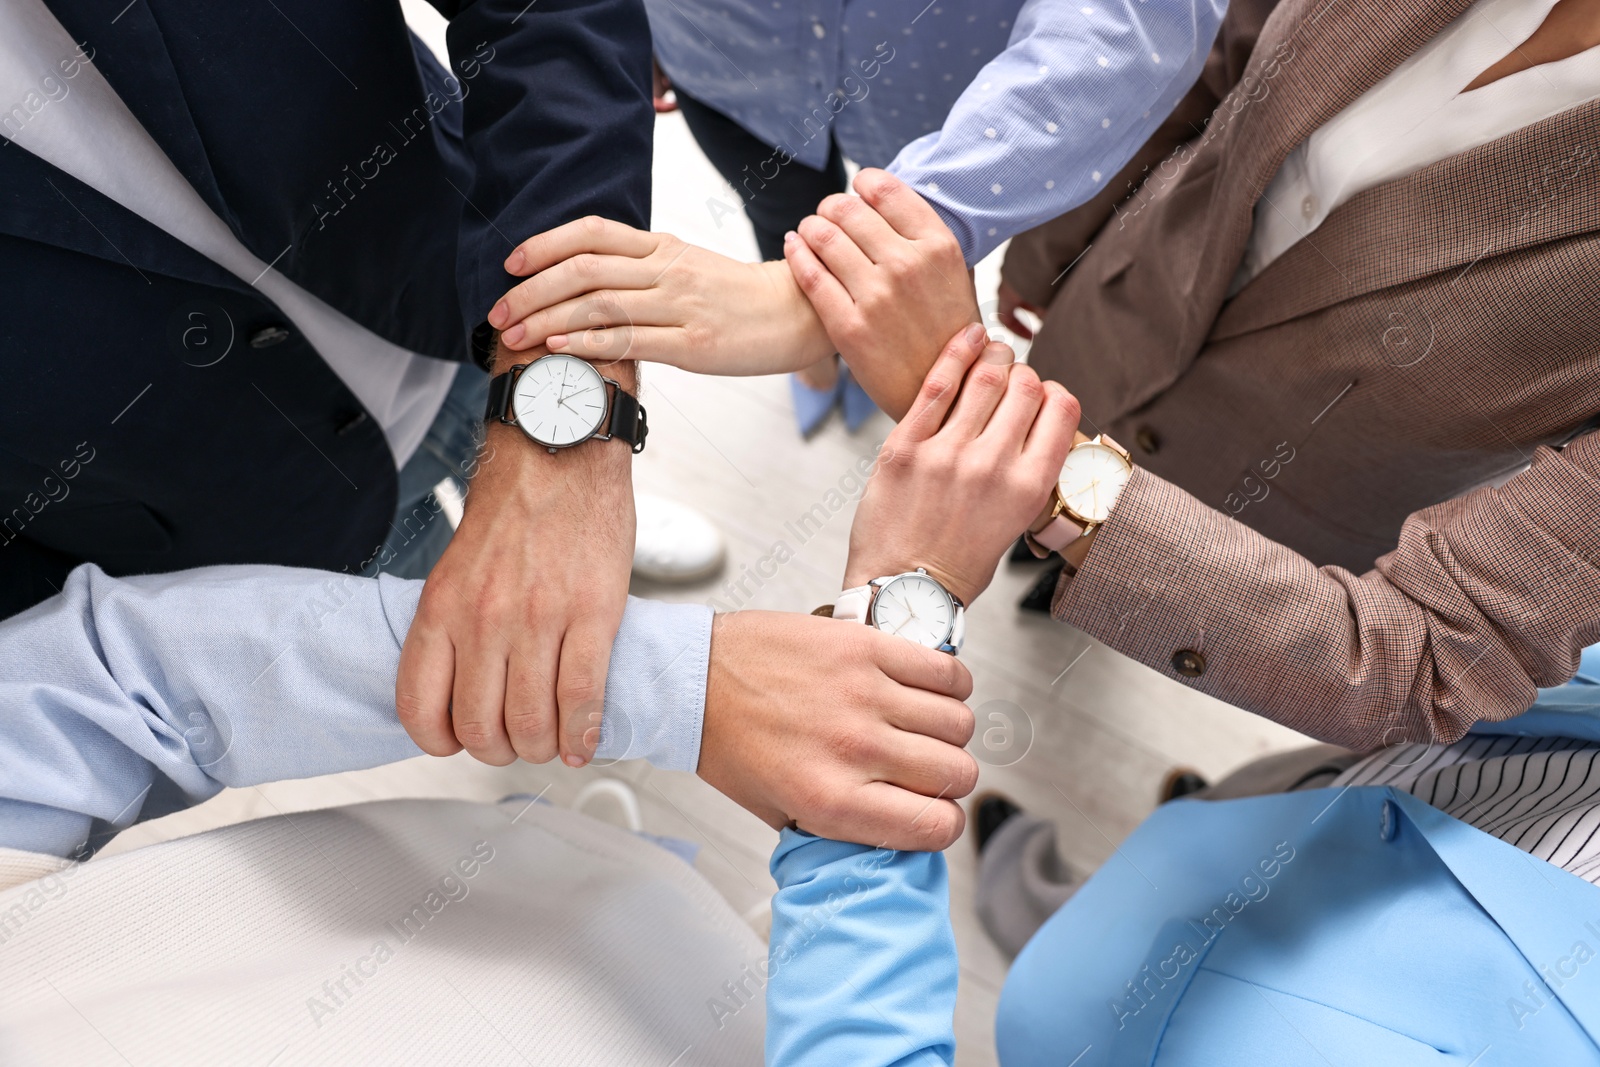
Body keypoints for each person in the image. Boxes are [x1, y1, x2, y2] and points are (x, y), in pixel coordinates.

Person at [0, 323, 1073, 1064]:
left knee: (470, 619)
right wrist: (899, 608)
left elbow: (110, 684)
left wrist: (672, 680)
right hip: (710, 998)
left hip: (469, 884)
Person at [0, 0, 719, 793]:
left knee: (573, 524)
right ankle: (569, 666)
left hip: (460, 269)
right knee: (503, 668)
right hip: (249, 510)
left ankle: (601, 552)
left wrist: (569, 436)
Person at [489, 0, 1231, 430]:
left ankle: (828, 342)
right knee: (775, 219)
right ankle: (817, 361)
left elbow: (1140, 18)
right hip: (726, 64)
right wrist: (615, 19)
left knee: (873, 276)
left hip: (951, 92)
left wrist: (902, 241)